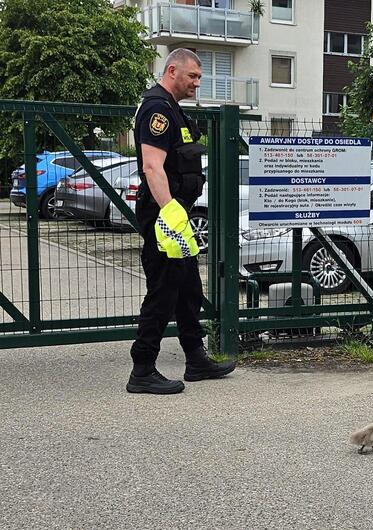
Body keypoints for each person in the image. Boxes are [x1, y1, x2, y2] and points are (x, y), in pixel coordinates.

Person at [127, 48, 235, 394]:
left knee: (188, 286)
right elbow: (152, 166)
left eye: (199, 77)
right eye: (193, 76)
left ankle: (196, 359)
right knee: (163, 289)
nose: (197, 83)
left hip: (176, 213)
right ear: (172, 70)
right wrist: (171, 212)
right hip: (164, 216)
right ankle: (142, 369)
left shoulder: (172, 109)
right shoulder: (158, 108)